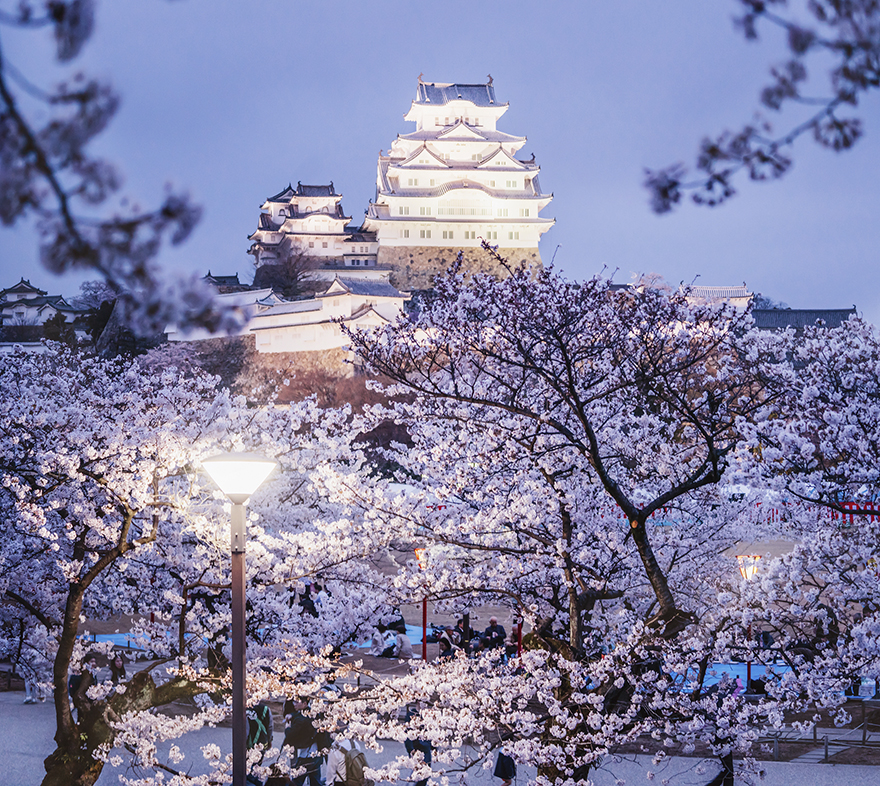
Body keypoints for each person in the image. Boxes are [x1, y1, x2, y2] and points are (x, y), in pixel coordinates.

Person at [284, 698, 322, 786]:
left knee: (297, 781)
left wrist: (287, 727)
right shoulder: (312, 713)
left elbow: (290, 734)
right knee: (315, 780)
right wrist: (291, 715)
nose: (294, 704)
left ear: (305, 703)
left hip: (305, 753)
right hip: (315, 752)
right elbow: (298, 714)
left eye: (297, 702)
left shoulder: (301, 719)